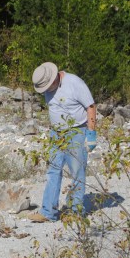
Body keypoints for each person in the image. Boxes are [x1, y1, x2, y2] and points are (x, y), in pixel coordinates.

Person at [29, 62, 97, 223]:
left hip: (76, 132)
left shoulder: (75, 83)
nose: (44, 91)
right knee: (53, 171)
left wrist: (91, 133)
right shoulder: (48, 88)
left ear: (54, 79)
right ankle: (48, 212)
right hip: (56, 134)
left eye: (46, 87)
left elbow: (91, 106)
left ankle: (75, 211)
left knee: (77, 172)